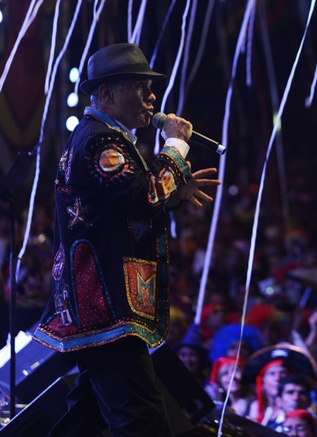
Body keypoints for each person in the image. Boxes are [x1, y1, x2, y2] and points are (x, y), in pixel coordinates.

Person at [31, 43, 221, 437]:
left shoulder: (102, 137)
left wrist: (175, 192)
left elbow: (128, 205)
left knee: (86, 419)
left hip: (101, 306)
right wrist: (176, 145)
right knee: (142, 420)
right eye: (138, 86)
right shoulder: (101, 141)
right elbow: (146, 195)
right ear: (105, 93)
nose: (151, 96)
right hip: (108, 305)